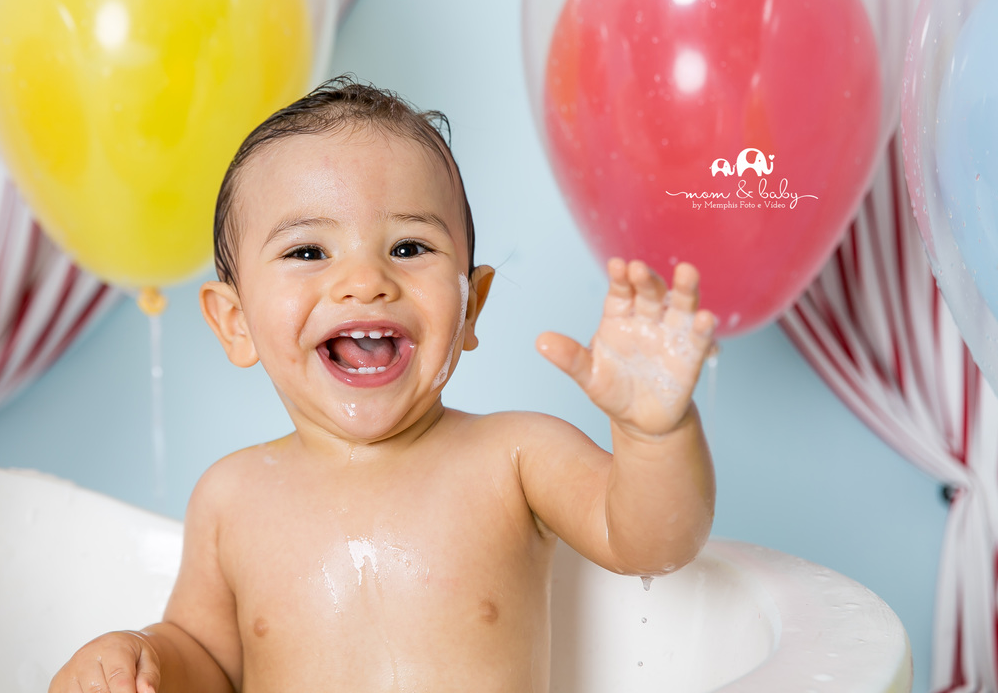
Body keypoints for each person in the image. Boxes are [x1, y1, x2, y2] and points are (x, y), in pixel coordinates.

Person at [49, 77, 717, 693]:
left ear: (470, 308)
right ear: (236, 323)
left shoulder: (515, 458)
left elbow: (652, 543)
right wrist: (146, 658)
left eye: (408, 248)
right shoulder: (231, 499)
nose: (365, 280)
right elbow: (210, 661)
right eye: (308, 252)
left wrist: (653, 433)